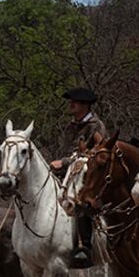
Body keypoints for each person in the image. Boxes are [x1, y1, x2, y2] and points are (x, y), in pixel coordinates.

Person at [50, 87, 106, 267]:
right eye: (71, 101)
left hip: (87, 174)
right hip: (67, 172)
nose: (71, 104)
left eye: (75, 102)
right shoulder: (70, 125)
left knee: (80, 201)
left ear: (85, 105)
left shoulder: (95, 126)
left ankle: (85, 247)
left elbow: (98, 152)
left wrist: (64, 162)